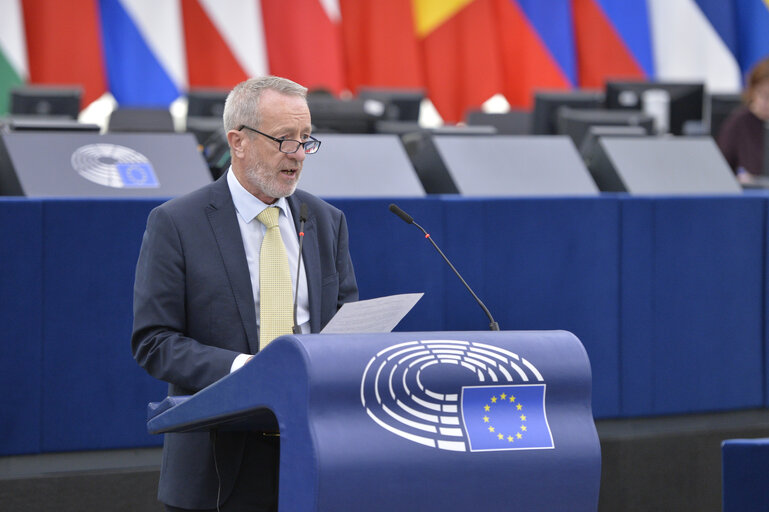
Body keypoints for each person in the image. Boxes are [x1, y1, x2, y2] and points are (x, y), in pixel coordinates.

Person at [131, 76, 358, 512]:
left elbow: (346, 322)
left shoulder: (326, 220)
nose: (297, 155)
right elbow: (154, 341)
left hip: (314, 454)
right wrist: (249, 370)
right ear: (238, 141)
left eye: (306, 140)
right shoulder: (178, 223)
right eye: (284, 139)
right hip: (217, 464)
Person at [717, 56, 769, 183]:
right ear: (752, 91)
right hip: (751, 198)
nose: (766, 103)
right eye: (763, 95)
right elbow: (719, 172)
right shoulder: (738, 123)